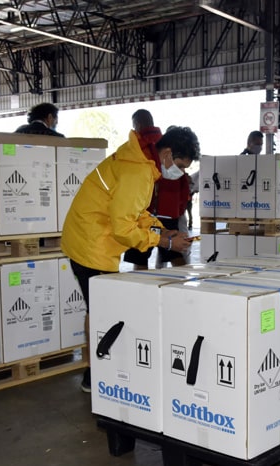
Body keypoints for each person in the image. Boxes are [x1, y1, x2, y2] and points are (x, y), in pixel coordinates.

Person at [61, 125, 200, 392]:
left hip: (92, 237)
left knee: (100, 307)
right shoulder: (138, 171)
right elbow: (124, 228)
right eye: (181, 166)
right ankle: (94, 373)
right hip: (91, 244)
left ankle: (98, 368)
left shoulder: (140, 162)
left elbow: (135, 212)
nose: (181, 173)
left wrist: (162, 229)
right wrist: (165, 241)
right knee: (101, 310)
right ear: (167, 154)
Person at [122, 110, 191, 270]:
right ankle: (182, 282)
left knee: (140, 257)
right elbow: (183, 186)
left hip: (146, 212)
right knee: (175, 253)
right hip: (170, 212)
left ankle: (141, 285)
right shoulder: (169, 145)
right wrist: (179, 210)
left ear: (137, 124)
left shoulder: (141, 148)